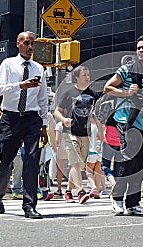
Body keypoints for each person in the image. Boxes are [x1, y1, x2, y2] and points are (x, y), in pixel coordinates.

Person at [0, 31, 48, 219]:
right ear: (18, 44)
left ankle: (29, 205)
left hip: (32, 119)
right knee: (5, 161)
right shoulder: (8, 64)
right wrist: (20, 85)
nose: (30, 47)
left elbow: (43, 98)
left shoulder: (39, 68)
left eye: (32, 44)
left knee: (32, 162)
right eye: (26, 43)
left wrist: (44, 125)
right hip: (11, 118)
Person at [104, 35, 143, 215]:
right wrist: (126, 92)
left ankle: (133, 203)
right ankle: (117, 199)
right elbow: (108, 87)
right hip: (126, 120)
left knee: (140, 165)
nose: (140, 51)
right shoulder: (127, 69)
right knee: (127, 160)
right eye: (138, 48)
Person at [54, 66, 99, 204]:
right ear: (77, 77)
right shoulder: (68, 93)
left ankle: (68, 191)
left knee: (79, 166)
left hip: (86, 134)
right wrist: (63, 120)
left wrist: (101, 133)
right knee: (75, 163)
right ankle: (80, 191)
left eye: (88, 74)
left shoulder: (93, 94)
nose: (87, 77)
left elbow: (96, 115)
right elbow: (57, 111)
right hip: (70, 133)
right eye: (84, 75)